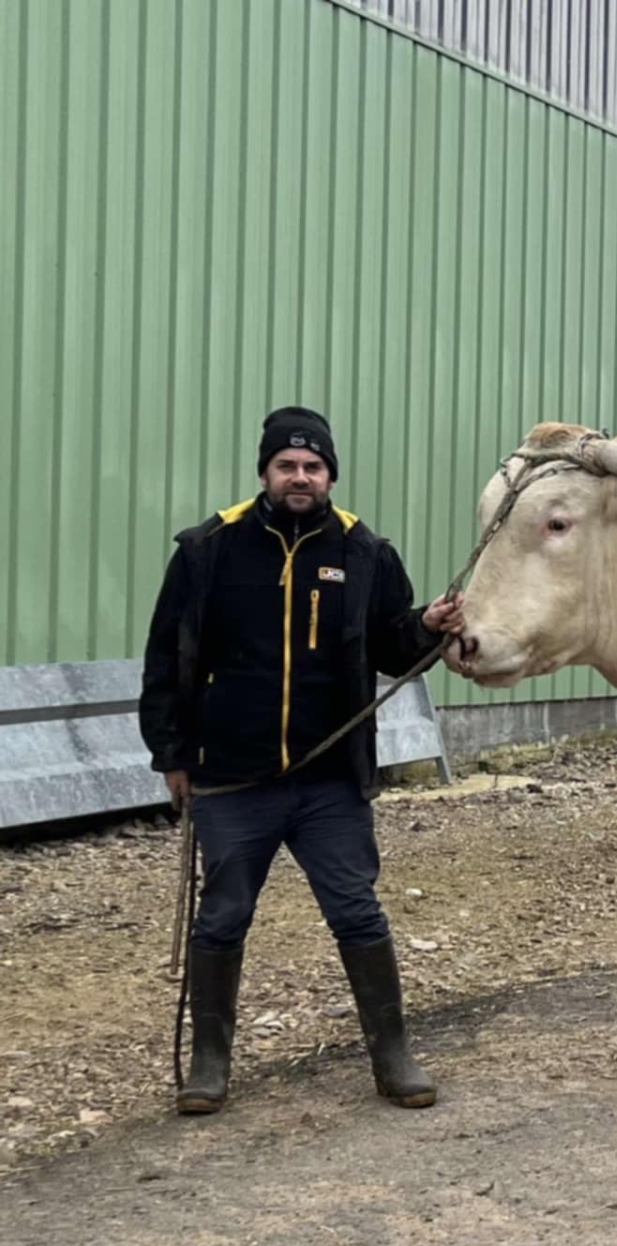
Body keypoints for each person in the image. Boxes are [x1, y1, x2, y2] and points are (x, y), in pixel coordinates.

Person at [139, 406, 465, 1115]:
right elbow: (166, 658)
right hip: (232, 778)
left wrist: (427, 628)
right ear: (264, 472)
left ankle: (394, 1055)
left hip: (329, 783)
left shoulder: (364, 552)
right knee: (221, 918)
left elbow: (392, 648)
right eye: (286, 465)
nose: (300, 476)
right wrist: (171, 754)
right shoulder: (208, 549)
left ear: (330, 475)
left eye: (313, 466)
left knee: (358, 912)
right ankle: (209, 1066)